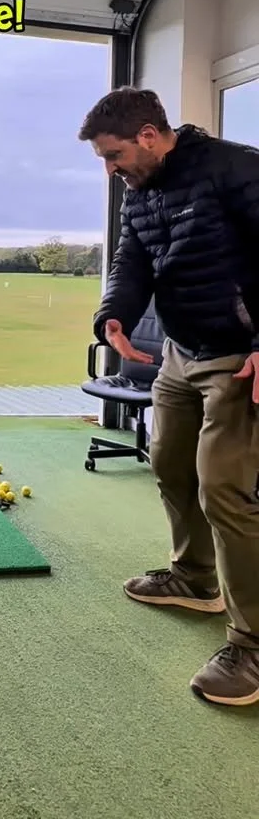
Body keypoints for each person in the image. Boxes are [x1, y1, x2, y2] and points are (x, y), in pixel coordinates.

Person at [78, 86, 259, 707]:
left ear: (150, 136)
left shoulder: (236, 168)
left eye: (115, 154)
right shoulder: (141, 190)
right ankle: (194, 578)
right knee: (170, 464)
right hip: (181, 351)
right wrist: (113, 316)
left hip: (240, 355)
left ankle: (252, 646)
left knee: (225, 489)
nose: (111, 168)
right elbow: (132, 260)